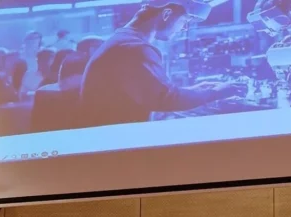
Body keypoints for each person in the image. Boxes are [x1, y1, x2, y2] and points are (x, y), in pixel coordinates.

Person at [78, 0, 247, 126]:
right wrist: (216, 92)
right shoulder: (134, 48)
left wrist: (197, 89)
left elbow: (155, 93)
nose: (184, 28)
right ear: (166, 14)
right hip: (115, 147)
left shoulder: (123, 41)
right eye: (184, 21)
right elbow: (165, 98)